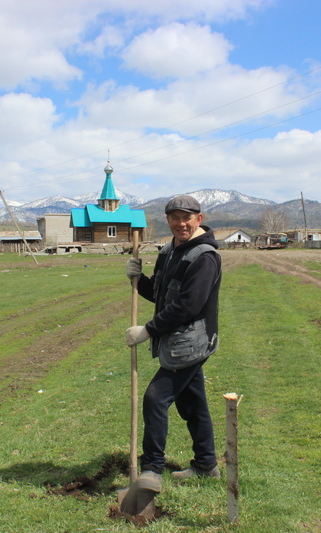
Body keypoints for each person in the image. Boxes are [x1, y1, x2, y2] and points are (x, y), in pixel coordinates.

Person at [124, 194, 223, 494]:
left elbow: (188, 306)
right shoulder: (169, 252)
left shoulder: (205, 257)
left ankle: (152, 469)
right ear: (168, 220)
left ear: (198, 219)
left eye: (187, 218)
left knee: (156, 398)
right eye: (175, 218)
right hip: (177, 341)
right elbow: (160, 294)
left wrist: (148, 330)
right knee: (192, 403)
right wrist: (139, 279)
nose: (181, 223)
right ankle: (206, 465)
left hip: (192, 343)